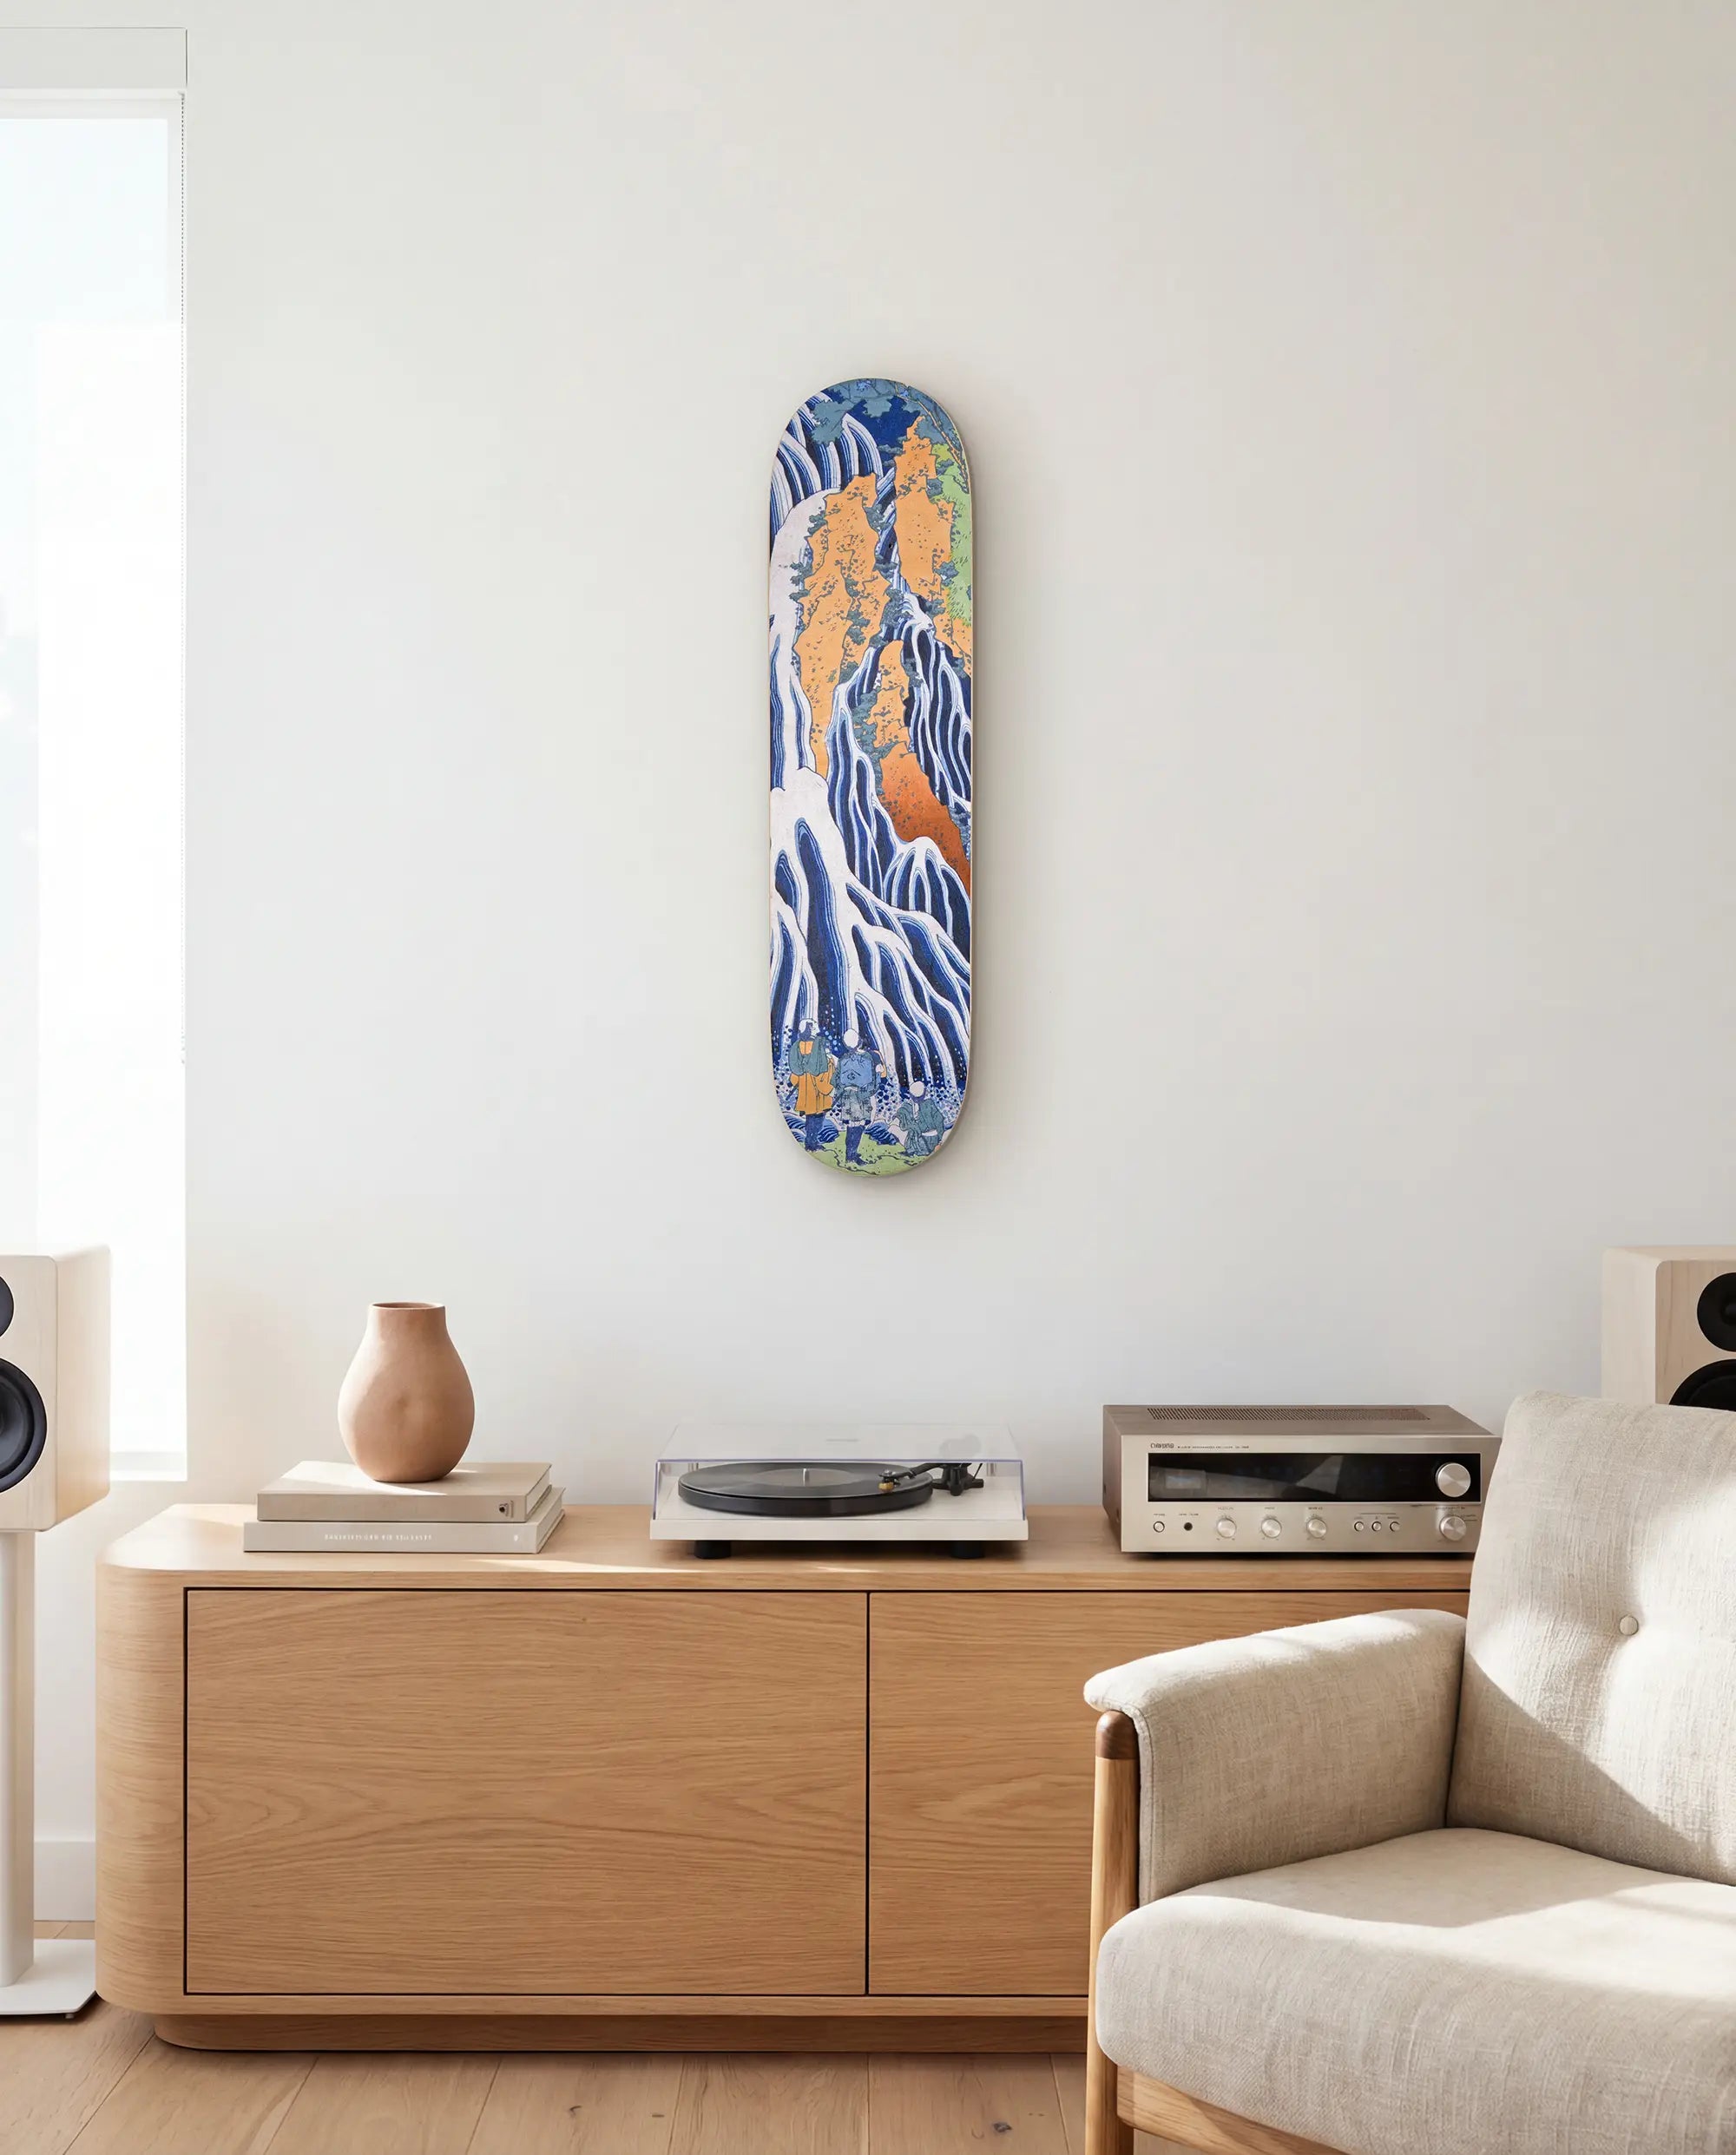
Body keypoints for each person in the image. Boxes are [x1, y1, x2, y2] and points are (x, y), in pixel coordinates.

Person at [833, 1029, 884, 1166]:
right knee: (858, 1128)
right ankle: (851, 1156)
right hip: (860, 1099)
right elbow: (871, 1085)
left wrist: (844, 1090)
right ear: (859, 1041)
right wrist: (878, 1074)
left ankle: (850, 1153)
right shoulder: (866, 1058)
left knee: (851, 1127)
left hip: (847, 1100)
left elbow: (835, 1081)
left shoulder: (843, 1059)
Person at [787, 1020, 835, 1150]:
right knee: (818, 1115)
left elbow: (796, 1068)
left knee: (810, 1115)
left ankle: (811, 1142)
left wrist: (793, 1081)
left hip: (805, 1085)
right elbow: (823, 1065)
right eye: (813, 1025)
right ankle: (812, 1142)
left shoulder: (797, 1045)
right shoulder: (817, 1044)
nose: (816, 1027)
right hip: (817, 1083)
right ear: (808, 1028)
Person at [896, 1078, 944, 1160]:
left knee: (914, 1134)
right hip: (924, 1135)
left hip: (930, 1137)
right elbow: (939, 1119)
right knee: (912, 1131)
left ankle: (916, 1151)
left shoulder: (928, 1104)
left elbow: (939, 1120)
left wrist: (941, 1140)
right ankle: (911, 1151)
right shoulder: (914, 1105)